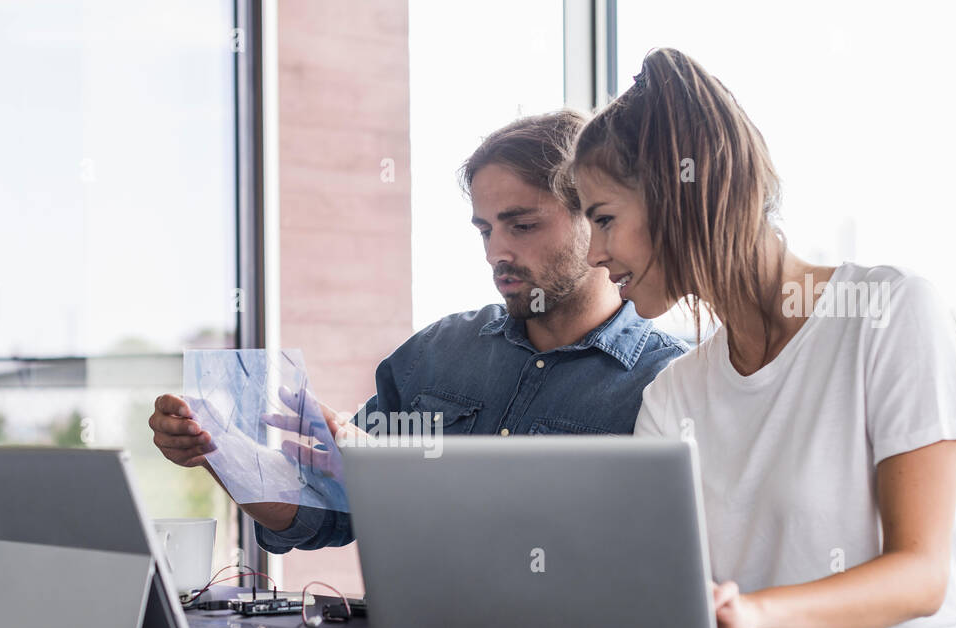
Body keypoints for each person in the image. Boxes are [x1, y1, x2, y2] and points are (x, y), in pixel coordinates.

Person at [569, 48, 956, 628]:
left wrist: (752, 613)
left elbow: (921, 576)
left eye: (605, 218)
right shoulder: (673, 396)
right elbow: (668, 587)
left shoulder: (888, 312)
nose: (593, 253)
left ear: (680, 194)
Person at [152, 109, 686, 553]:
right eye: (485, 229)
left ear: (594, 218)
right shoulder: (437, 355)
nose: (496, 252)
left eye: (521, 225)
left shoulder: (668, 383)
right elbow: (326, 511)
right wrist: (221, 452)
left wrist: (395, 473)